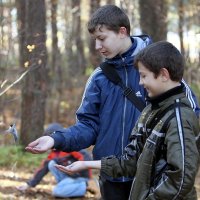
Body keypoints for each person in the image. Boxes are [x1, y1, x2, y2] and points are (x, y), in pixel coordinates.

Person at [25, 5, 200, 200]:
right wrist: (55, 139)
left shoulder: (158, 70)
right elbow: (88, 126)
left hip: (154, 180)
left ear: (122, 32)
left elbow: (191, 122)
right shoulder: (99, 78)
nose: (98, 46)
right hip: (111, 178)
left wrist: (169, 168)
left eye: (102, 38)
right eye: (95, 40)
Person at [56, 41, 200, 199]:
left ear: (164, 75)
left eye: (144, 76)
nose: (140, 82)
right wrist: (87, 164)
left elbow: (180, 180)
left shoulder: (179, 117)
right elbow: (131, 161)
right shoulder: (150, 111)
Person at [17, 123, 94, 198]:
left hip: (80, 178)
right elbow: (42, 170)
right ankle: (72, 189)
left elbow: (85, 158)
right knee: (51, 163)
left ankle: (85, 186)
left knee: (57, 192)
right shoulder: (53, 155)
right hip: (68, 179)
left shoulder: (70, 148)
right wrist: (29, 184)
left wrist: (87, 177)